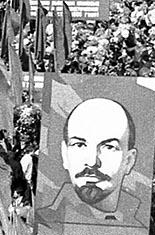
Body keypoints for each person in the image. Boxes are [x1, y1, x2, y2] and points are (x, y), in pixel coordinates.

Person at [39, 95, 147, 224]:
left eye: (108, 147)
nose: (92, 162)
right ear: (64, 154)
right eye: (79, 145)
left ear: (129, 161)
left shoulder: (141, 229)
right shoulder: (42, 223)